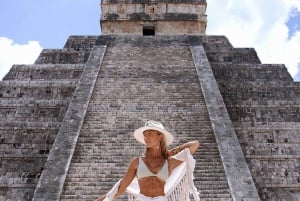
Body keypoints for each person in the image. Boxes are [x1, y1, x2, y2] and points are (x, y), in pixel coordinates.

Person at [95, 120, 200, 201]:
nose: (146, 136)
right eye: (145, 133)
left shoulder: (169, 162)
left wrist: (170, 152)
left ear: (160, 136)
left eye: (150, 132)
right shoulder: (137, 162)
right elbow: (121, 187)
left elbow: (195, 145)